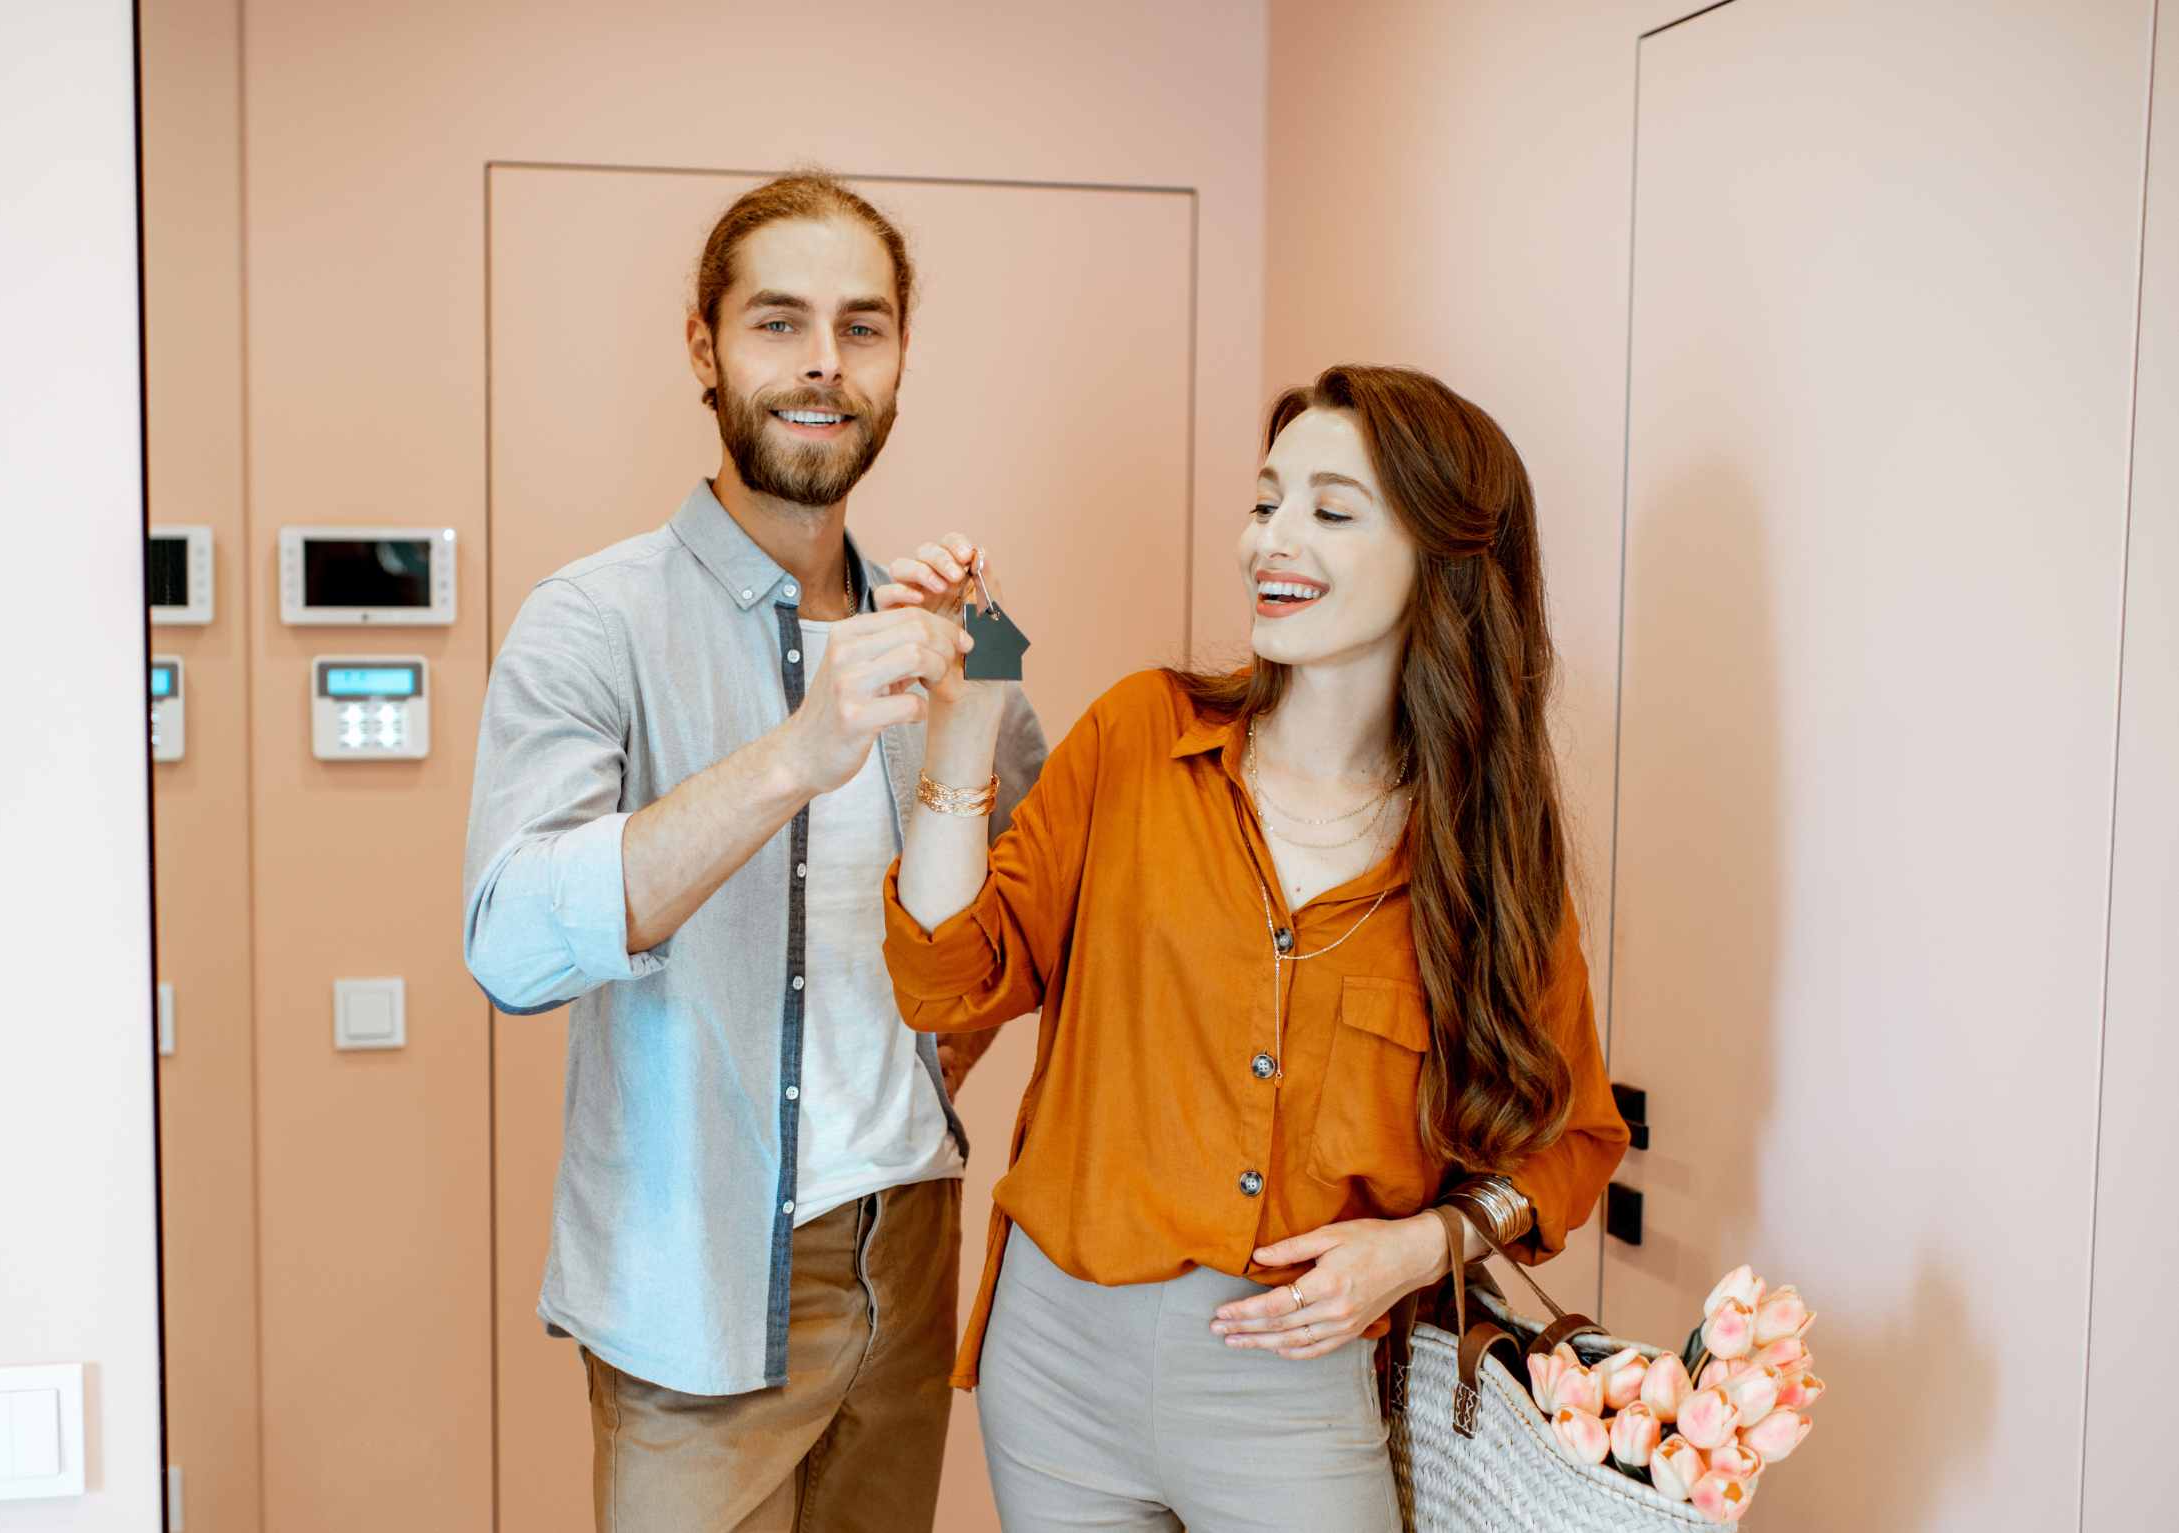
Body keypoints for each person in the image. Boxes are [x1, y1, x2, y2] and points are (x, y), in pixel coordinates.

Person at [878, 364, 1630, 1531]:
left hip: (1300, 1383)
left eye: (1331, 511)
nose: (1271, 539)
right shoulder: (1141, 733)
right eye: (1267, 501)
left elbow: (1571, 1143)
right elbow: (945, 977)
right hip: (1059, 1362)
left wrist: (1421, 1247)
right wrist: (968, 717)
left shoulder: (1486, 853)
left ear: (1443, 560)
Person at [462, 171, 1048, 1533]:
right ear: (704, 348)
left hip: (912, 1244)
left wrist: (996, 664)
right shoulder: (589, 619)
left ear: (900, 359)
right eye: (778, 322)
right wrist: (795, 752)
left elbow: (1021, 915)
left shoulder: (939, 629)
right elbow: (508, 942)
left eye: (864, 327)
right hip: (698, 1278)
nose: (822, 367)